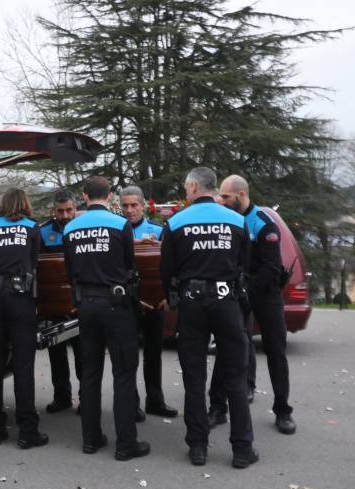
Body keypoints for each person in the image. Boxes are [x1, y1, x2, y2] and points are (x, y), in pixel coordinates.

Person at [161, 167, 257, 469]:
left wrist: (175, 296)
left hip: (192, 304)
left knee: (194, 377)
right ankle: (242, 449)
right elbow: (245, 264)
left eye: (185, 187)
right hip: (227, 303)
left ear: (193, 187)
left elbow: (167, 270)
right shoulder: (237, 220)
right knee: (236, 377)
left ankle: (198, 446)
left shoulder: (176, 222)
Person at [63, 175, 150, 461]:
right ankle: (126, 443)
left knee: (90, 372)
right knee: (123, 373)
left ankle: (91, 439)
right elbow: (129, 265)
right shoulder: (120, 224)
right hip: (116, 304)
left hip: (86, 305)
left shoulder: (70, 228)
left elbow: (70, 270)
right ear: (110, 196)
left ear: (84, 196)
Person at [208, 175, 296, 435]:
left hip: (265, 293)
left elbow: (272, 267)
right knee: (227, 346)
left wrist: (248, 288)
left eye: (226, 196)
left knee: (275, 350)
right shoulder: (228, 220)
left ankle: (283, 410)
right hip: (238, 292)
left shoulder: (263, 223)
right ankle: (217, 407)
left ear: (242, 195)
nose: (221, 200)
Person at [0, 188, 48, 449]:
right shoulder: (32, 228)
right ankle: (28, 431)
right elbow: (34, 263)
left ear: (2, 204)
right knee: (22, 365)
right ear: (25, 204)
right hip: (19, 299)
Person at [119, 185, 179, 420]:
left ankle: (155, 401)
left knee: (153, 354)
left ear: (143, 205)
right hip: (128, 303)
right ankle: (132, 404)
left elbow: (169, 266)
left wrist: (167, 295)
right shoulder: (116, 230)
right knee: (129, 356)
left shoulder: (159, 230)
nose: (129, 210)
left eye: (134, 205)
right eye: (125, 206)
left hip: (154, 303)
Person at [39, 190, 83, 413]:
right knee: (56, 354)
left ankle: (86, 398)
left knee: (83, 354)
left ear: (75, 208)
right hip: (53, 303)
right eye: (60, 211)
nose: (65, 215)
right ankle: (62, 397)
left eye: (69, 210)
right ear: (53, 211)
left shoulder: (84, 228)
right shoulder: (42, 232)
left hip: (80, 301)